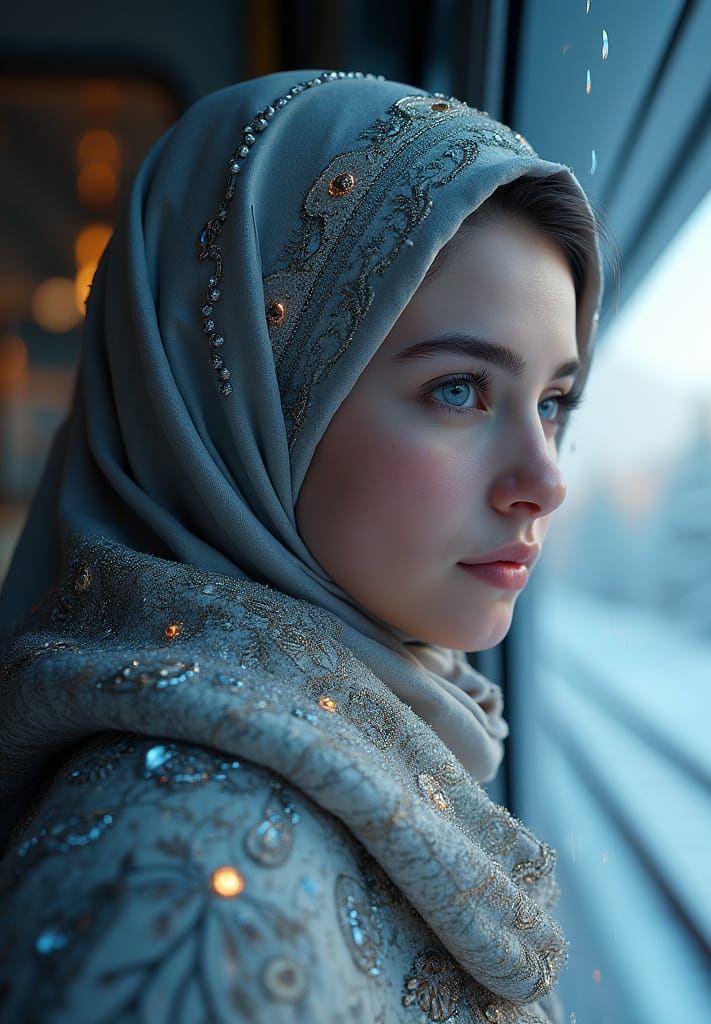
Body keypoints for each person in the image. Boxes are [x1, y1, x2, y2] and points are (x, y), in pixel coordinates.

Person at [0, 69, 605, 1022]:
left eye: (554, 402)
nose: (545, 477)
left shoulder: (347, 748)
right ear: (243, 403)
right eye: (458, 390)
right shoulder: (190, 897)